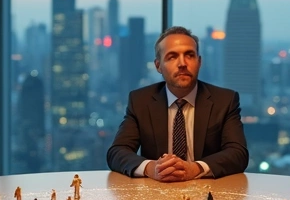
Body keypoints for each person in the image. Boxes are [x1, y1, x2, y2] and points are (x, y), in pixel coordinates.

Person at [107, 27, 249, 181]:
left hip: (207, 190)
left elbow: (238, 153)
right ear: (158, 66)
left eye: (189, 55)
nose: (182, 63)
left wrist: (195, 168)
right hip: (157, 190)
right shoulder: (141, 101)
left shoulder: (225, 101)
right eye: (172, 57)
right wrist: (151, 168)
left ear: (199, 62)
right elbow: (117, 152)